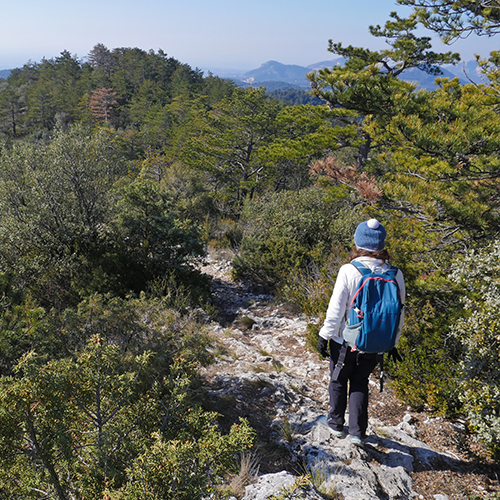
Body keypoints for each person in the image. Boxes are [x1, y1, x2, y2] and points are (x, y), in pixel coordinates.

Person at [317, 218, 405, 446]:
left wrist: (325, 335)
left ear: (358, 243)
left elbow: (336, 308)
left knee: (338, 379)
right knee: (360, 382)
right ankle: (357, 432)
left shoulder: (349, 270)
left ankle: (336, 425)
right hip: (376, 341)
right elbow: (399, 313)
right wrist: (392, 342)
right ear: (381, 245)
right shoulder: (395, 274)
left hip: (346, 340)